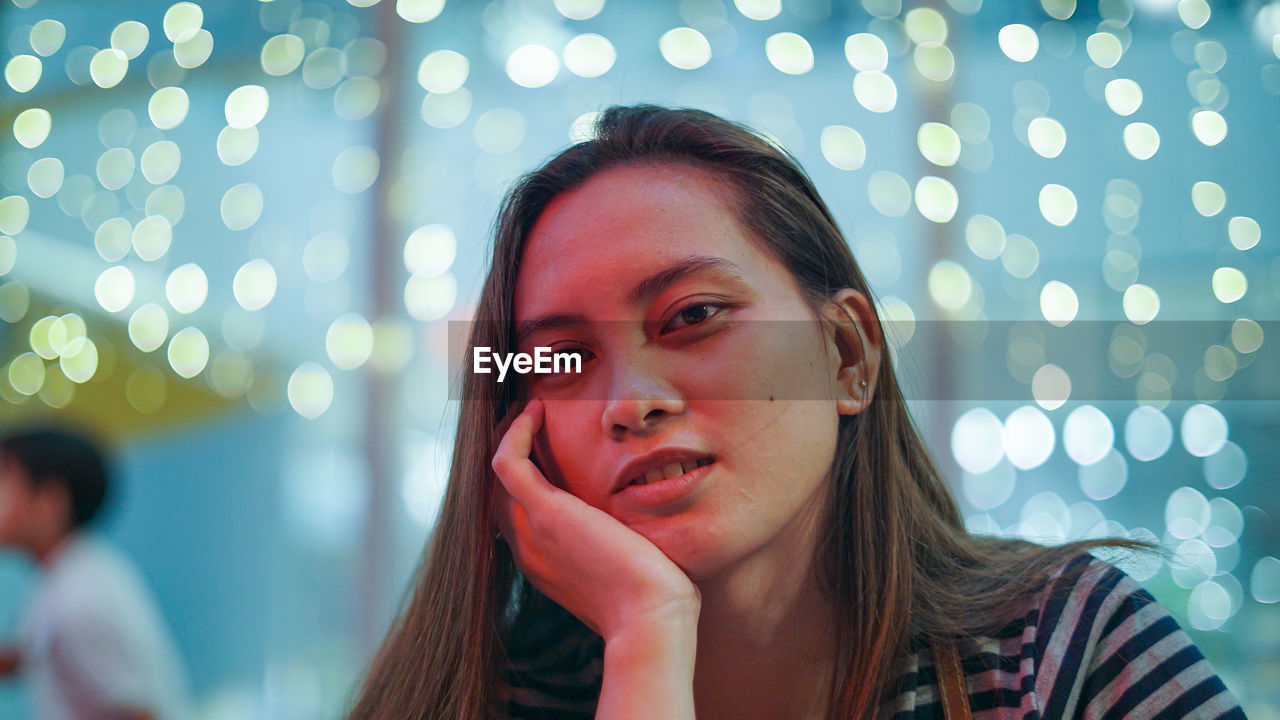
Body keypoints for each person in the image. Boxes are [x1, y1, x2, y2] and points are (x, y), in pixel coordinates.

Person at [346, 106, 1246, 719]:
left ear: (847, 356)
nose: (630, 401)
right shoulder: (483, 700)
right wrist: (647, 640)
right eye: (568, 359)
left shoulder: (1061, 656)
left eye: (693, 316)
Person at [0, 428, 189, 720]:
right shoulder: (70, 573)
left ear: (49, 503)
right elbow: (28, 655)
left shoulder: (78, 601)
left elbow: (138, 713)